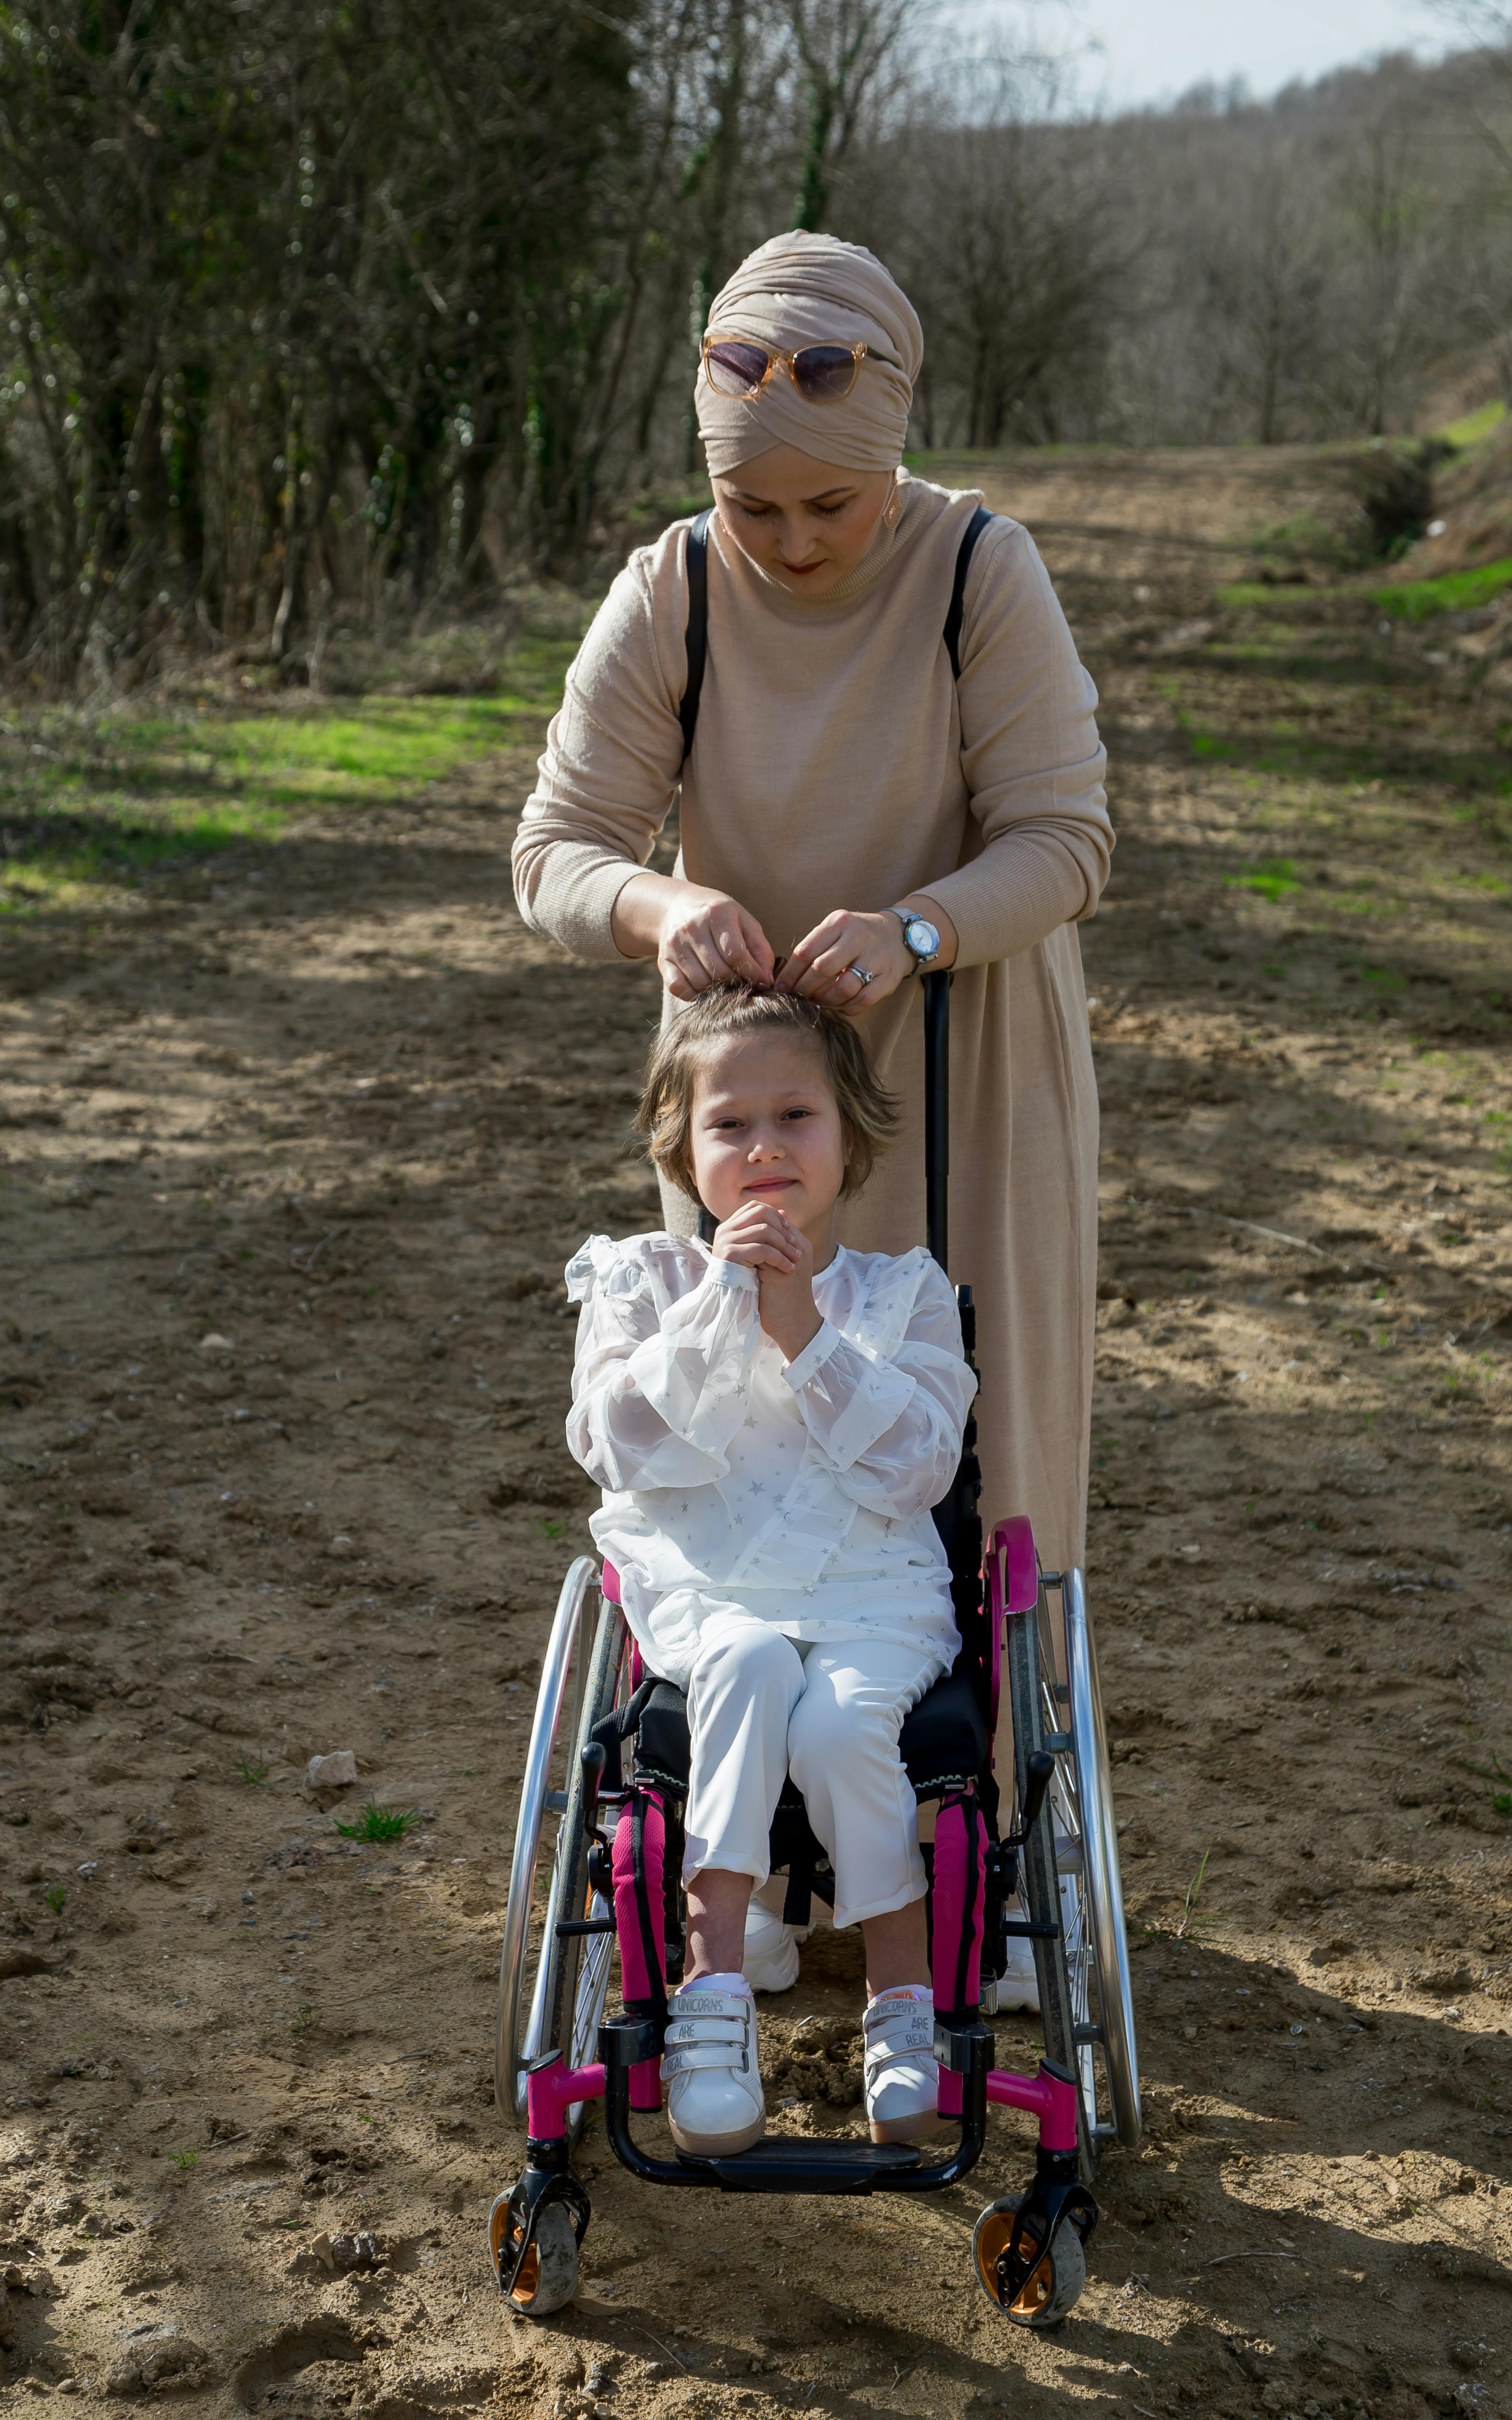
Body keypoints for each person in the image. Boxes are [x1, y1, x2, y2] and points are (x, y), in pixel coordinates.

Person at [514, 230, 1112, 2006]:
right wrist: (652, 912)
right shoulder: (672, 594)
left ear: (888, 466)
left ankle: (964, 1860)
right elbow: (554, 850)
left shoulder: (978, 571)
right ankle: (748, 1864)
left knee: (969, 1449)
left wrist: (919, 924)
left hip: (964, 1055)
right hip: (761, 1087)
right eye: (754, 514)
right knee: (749, 1437)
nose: (787, 546)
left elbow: (1068, 839)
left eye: (823, 515)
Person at [566, 984, 977, 2156]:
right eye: (728, 1124)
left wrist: (795, 1317)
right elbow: (619, 1448)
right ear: (681, 1151)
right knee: (744, 1665)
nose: (762, 1148)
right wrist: (725, 1307)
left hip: (872, 1594)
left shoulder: (901, 1294)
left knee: (846, 1729)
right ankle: (711, 1990)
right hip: (711, 1589)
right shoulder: (645, 1283)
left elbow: (917, 1468)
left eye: (794, 1116)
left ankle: (903, 2002)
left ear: (847, 1140)